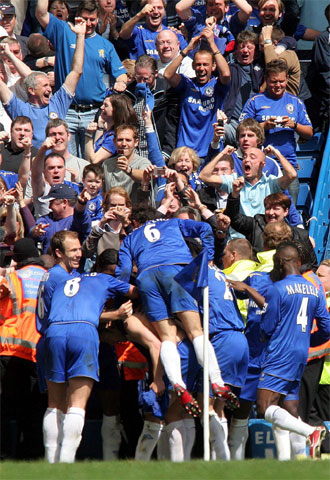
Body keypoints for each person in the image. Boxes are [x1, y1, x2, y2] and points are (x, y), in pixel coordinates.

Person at [115, 205, 240, 414]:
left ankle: (178, 384)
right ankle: (217, 381)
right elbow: (204, 229)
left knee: (167, 337)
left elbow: (125, 270)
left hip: (147, 277)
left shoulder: (130, 238)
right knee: (195, 331)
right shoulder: (173, 222)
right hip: (176, 268)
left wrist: (123, 290)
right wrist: (207, 257)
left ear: (135, 222)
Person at [42, 260, 138, 463]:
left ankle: (55, 462)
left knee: (58, 404)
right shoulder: (103, 280)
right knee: (74, 404)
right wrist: (118, 314)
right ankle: (65, 462)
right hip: (84, 335)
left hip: (59, 334)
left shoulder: (64, 281)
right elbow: (134, 292)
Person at [256, 242, 330, 459]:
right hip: (301, 354)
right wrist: (309, 339)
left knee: (264, 406)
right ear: (298, 262)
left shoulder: (277, 289)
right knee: (289, 409)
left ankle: (311, 431)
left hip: (280, 353)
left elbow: (267, 328)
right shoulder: (314, 288)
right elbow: (326, 327)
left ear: (279, 263)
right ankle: (294, 461)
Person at [36, 0, 128, 157]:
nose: (89, 23)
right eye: (85, 19)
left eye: (92, 19)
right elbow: (41, 13)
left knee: (89, 162)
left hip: (93, 113)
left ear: (98, 18)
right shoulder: (64, 31)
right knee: (65, 159)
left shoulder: (105, 45)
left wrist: (121, 81)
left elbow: (121, 73)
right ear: (77, 17)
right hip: (66, 110)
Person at [0, 17, 86, 149]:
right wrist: (6, 54)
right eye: (45, 85)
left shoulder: (58, 102)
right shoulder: (20, 109)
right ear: (31, 90)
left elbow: (76, 72)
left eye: (49, 85)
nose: (50, 89)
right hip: (33, 164)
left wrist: (80, 36)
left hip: (57, 165)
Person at [240, 59, 313, 204]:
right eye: (273, 81)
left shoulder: (295, 102)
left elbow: (309, 133)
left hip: (288, 168)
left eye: (281, 81)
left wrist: (294, 125)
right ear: (266, 79)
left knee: (288, 215)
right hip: (261, 168)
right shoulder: (255, 101)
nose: (278, 85)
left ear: (287, 79)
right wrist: (264, 126)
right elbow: (241, 130)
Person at [0, 238, 47, 459]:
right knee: (34, 412)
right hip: (38, 351)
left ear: (17, 259)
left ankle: (4, 455)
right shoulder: (51, 279)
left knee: (4, 409)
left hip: (7, 350)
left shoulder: (10, 278)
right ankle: (31, 458)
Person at [164, 28, 230, 158]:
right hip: (185, 153)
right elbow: (167, 74)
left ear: (213, 67)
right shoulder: (186, 84)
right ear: (193, 66)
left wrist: (212, 44)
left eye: (206, 64)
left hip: (210, 151)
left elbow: (226, 74)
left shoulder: (217, 86)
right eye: (198, 65)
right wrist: (187, 49)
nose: (201, 69)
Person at [199, 145, 297, 221]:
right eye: (245, 157)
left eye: (252, 157)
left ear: (262, 164)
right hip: (238, 239)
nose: (246, 159)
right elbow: (204, 176)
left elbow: (292, 175)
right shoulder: (235, 181)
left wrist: (277, 153)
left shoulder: (270, 183)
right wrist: (222, 153)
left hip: (261, 236)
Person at [224, 189, 317, 268]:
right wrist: (235, 195)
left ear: (286, 211)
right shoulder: (255, 224)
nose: (271, 212)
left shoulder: (301, 234)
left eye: (276, 209)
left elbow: (311, 265)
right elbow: (234, 218)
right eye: (268, 208)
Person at [222, 30, 264, 146]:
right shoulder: (230, 68)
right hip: (232, 123)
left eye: (249, 47)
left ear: (255, 52)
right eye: (241, 47)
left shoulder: (261, 69)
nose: (245, 50)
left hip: (254, 125)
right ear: (236, 51)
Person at [29, 183, 91, 253]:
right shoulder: (48, 220)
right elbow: (35, 230)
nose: (49, 207)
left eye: (52, 203)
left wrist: (81, 204)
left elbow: (81, 218)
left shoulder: (75, 221)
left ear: (64, 202)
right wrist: (35, 232)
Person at [119, 0, 187, 60]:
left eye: (159, 8)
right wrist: (139, 15)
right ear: (144, 11)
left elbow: (187, 56)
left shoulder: (173, 34)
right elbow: (123, 34)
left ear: (164, 11)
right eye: (152, 8)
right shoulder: (138, 32)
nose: (156, 12)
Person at [103, 124, 151, 203]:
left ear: (136, 142)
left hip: (133, 211)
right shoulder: (106, 164)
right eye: (120, 140)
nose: (124, 144)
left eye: (128, 140)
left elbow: (145, 176)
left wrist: (128, 170)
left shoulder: (143, 162)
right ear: (114, 142)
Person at [85, 94, 137, 165]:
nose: (101, 107)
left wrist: (88, 135)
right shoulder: (108, 132)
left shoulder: (115, 137)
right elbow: (95, 148)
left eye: (106, 105)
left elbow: (93, 160)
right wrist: (100, 126)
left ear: (116, 110)